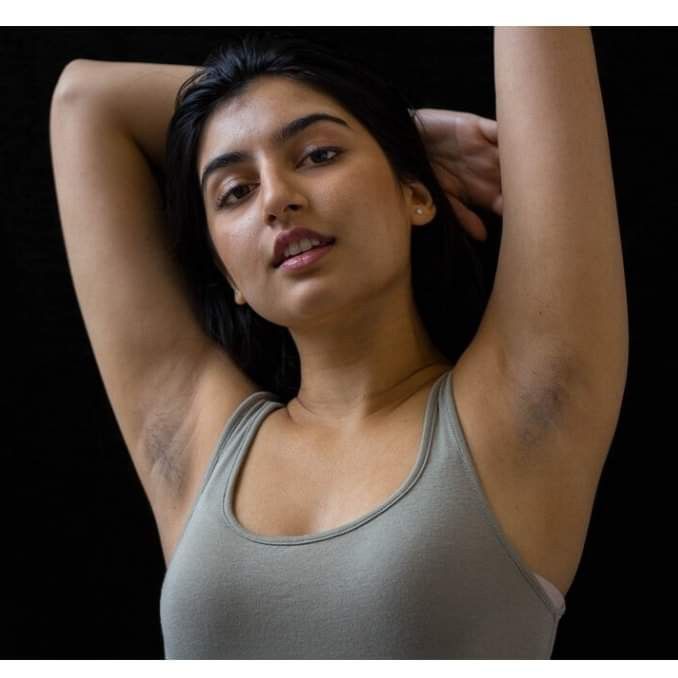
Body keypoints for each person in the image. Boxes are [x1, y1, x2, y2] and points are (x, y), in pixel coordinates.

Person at [50, 29, 624, 659]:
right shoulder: (194, 446)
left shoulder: (525, 410)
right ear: (228, 276)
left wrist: (379, 127)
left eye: (318, 155)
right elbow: (84, 101)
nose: (276, 199)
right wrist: (397, 127)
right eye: (235, 191)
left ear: (417, 194)